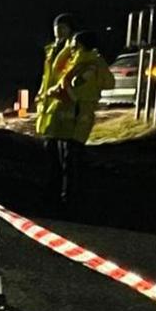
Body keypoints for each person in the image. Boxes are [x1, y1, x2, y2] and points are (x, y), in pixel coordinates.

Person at [44, 31, 116, 210]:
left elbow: (72, 85)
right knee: (67, 159)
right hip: (74, 117)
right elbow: (108, 83)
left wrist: (57, 92)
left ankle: (70, 201)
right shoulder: (87, 61)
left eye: (75, 43)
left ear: (81, 44)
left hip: (75, 116)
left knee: (70, 160)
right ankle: (67, 197)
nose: (72, 46)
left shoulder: (86, 63)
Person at [37, 14, 80, 207]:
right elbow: (47, 78)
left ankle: (66, 197)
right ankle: (51, 194)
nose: (59, 33)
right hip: (49, 109)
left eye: (63, 28)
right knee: (50, 155)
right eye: (57, 29)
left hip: (65, 107)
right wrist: (41, 94)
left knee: (67, 158)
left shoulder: (75, 50)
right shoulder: (51, 50)